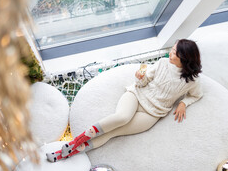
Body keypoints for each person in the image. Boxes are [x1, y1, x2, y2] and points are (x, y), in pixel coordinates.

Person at [46, 39, 203, 162]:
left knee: (113, 133)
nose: (170, 52)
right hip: (136, 94)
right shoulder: (162, 63)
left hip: (152, 113)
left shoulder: (192, 81)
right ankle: (73, 144)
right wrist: (140, 78)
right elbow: (143, 82)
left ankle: (66, 154)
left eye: (174, 52)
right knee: (121, 117)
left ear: (183, 58)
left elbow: (196, 95)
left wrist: (183, 103)